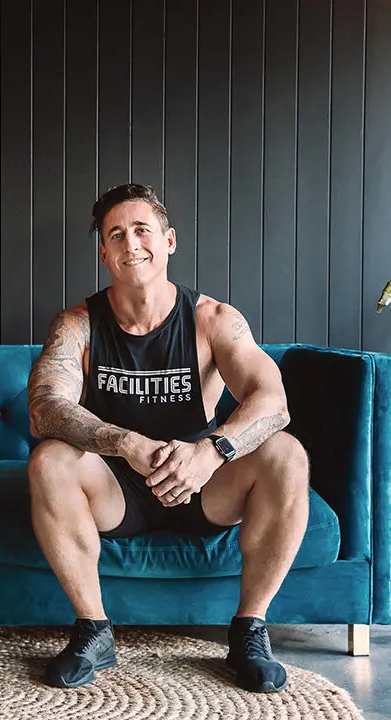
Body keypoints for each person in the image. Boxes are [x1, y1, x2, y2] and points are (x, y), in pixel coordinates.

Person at [27, 183, 309, 692]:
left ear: (169, 241)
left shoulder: (213, 319)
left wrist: (212, 451)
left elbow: (273, 401)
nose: (131, 243)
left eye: (142, 230)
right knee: (50, 460)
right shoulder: (77, 324)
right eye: (116, 235)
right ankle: (93, 630)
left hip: (204, 483)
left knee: (286, 454)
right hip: (117, 489)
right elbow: (46, 409)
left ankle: (249, 630)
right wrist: (126, 444)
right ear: (104, 253)